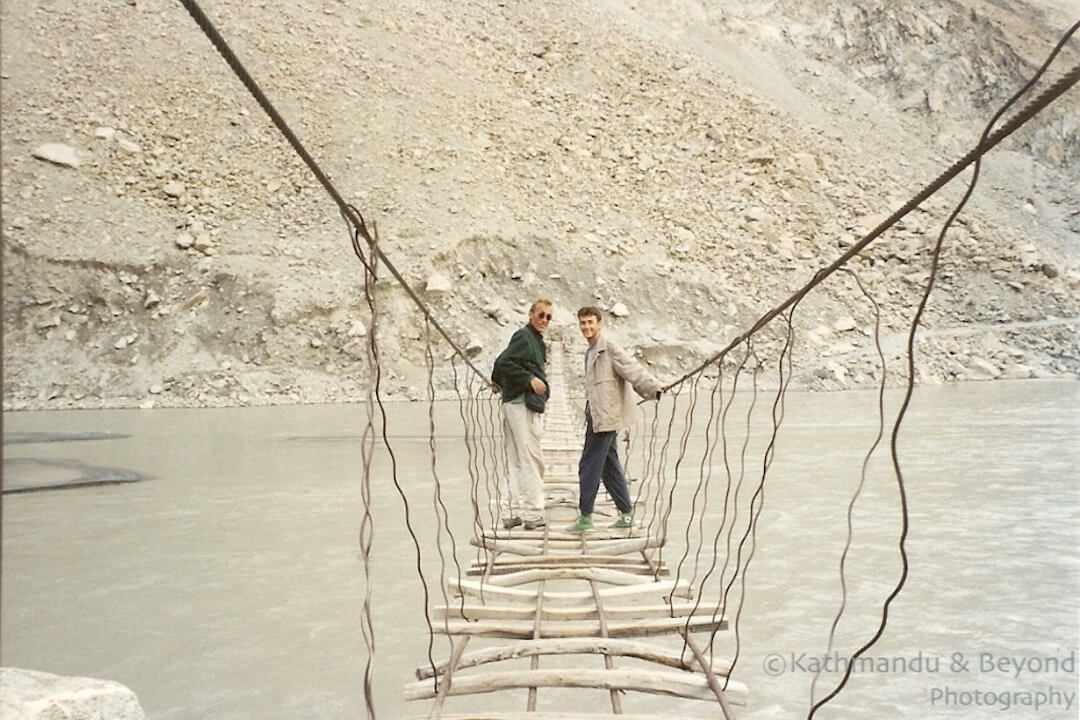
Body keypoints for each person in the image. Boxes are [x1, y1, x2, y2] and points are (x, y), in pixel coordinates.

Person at [567, 306, 665, 532]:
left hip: (607, 417)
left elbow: (632, 369)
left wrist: (654, 388)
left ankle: (585, 517)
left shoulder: (608, 348)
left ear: (600, 323)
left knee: (588, 465)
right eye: (583, 323)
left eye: (590, 322)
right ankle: (627, 514)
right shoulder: (590, 351)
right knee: (609, 466)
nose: (586, 327)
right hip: (597, 415)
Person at [491, 299, 552, 530]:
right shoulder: (524, 337)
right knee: (532, 459)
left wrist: (498, 383)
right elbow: (503, 361)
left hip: (512, 403)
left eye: (548, 317)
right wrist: (529, 379)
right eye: (541, 315)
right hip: (522, 405)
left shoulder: (532, 339)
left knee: (516, 460)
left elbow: (502, 365)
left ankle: (511, 511)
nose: (544, 320)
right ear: (530, 314)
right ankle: (533, 513)